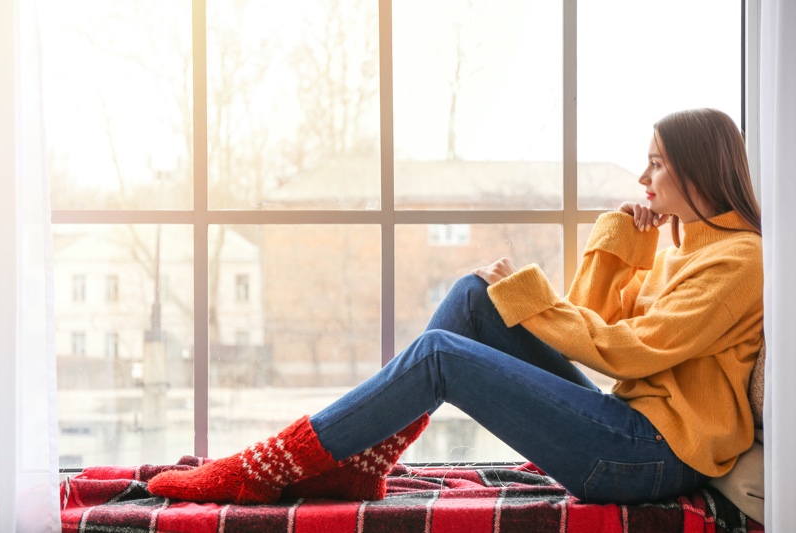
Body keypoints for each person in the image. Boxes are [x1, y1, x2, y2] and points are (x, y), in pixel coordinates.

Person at [148, 108, 763, 506]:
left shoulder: (740, 262)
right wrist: (622, 241)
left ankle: (270, 466)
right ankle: (366, 459)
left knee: (441, 354)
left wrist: (530, 296)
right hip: (627, 430)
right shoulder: (682, 249)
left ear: (698, 168)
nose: (642, 177)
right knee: (474, 298)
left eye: (656, 161)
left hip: (646, 458)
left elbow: (624, 351)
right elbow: (590, 318)